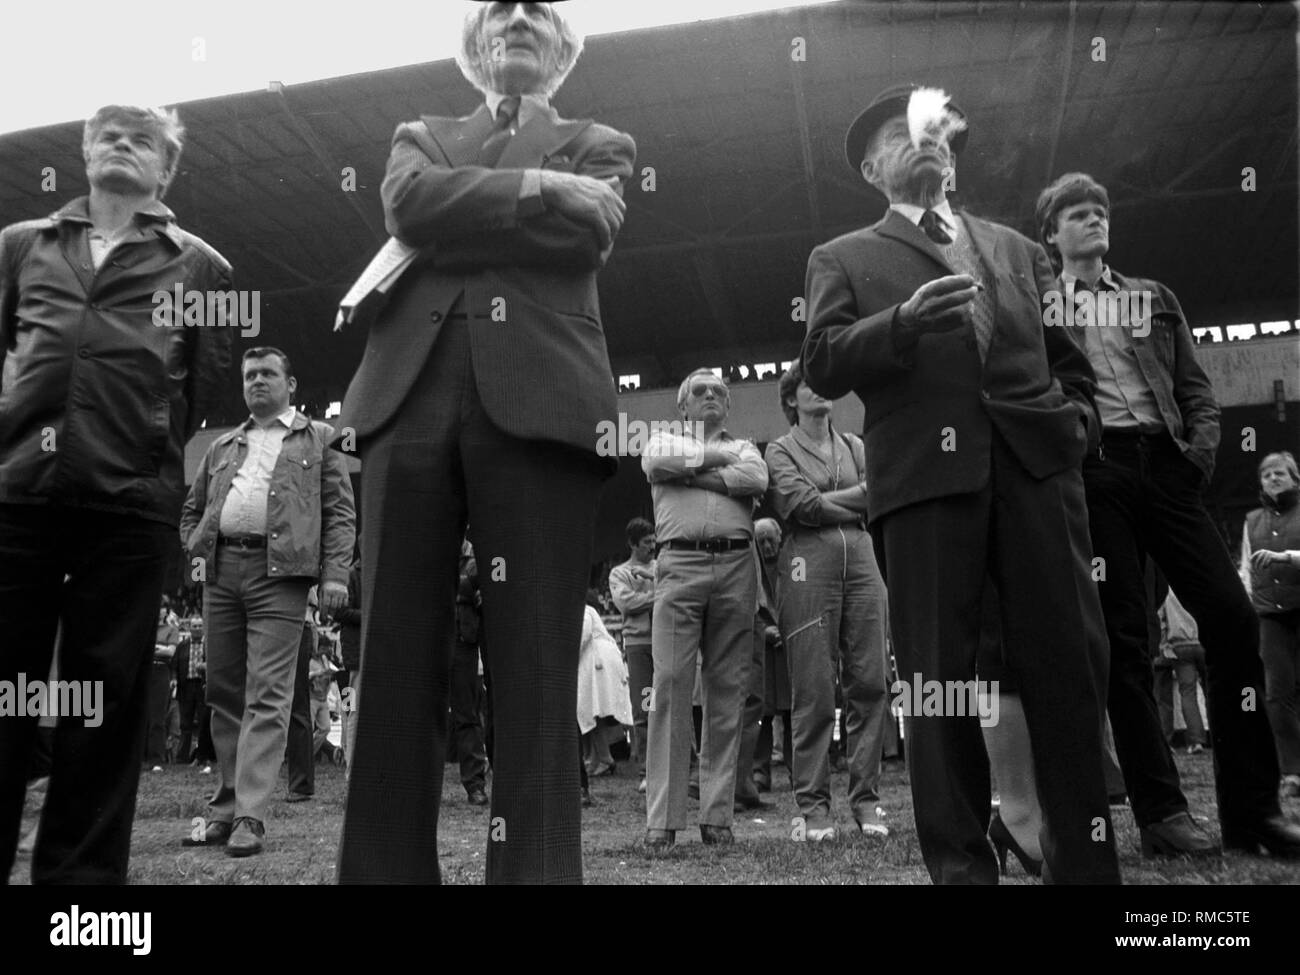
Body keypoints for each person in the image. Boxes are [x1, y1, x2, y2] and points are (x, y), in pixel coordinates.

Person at [333, 1, 635, 884]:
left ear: (562, 48)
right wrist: (541, 187)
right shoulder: (418, 131)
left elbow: (589, 228)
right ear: (475, 48)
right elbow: (405, 202)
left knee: (540, 664)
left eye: (535, 11)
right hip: (406, 397)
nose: (515, 18)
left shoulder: (600, 140)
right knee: (391, 660)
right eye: (497, 12)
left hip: (542, 403)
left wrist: (461, 211)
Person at [803, 84, 1119, 883]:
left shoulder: (1018, 249)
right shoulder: (842, 257)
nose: (929, 138)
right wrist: (903, 323)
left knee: (1070, 669)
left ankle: (1086, 868)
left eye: (939, 128)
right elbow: (823, 362)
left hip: (1039, 476)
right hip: (925, 487)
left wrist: (1075, 429)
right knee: (942, 689)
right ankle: (963, 870)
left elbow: (1071, 365)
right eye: (906, 134)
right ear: (874, 167)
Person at [1036, 171, 1300, 858]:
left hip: (1168, 465)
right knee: (1124, 638)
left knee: (1235, 617)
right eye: (1077, 214)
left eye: (1100, 211)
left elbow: (1196, 389)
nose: (1094, 220)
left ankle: (1253, 813)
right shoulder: (1039, 306)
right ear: (1051, 233)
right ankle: (1161, 814)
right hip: (1096, 472)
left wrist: (1198, 458)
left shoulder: (1153, 298)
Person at [0, 104, 232, 884]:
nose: (124, 146)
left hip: (129, 508)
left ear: (165, 169)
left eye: (144, 140)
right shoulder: (19, 246)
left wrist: (144, 457)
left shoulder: (203, 267)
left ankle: (80, 895)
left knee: (101, 700)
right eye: (110, 135)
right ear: (86, 151)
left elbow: (199, 387)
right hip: (17, 496)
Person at [179, 347, 356, 857]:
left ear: (291, 384)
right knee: (222, 690)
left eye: (267, 374)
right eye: (249, 375)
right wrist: (194, 545)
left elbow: (341, 514)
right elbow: (191, 510)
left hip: (282, 577)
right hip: (221, 572)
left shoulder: (320, 439)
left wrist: (335, 576)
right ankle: (224, 809)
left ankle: (250, 817)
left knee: (268, 692)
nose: (257, 381)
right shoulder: (223, 445)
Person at [641, 369, 768, 850]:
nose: (711, 395)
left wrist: (691, 470)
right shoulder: (660, 439)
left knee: (727, 689)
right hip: (679, 562)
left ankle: (717, 816)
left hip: (738, 564)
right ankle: (663, 819)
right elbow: (656, 465)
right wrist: (720, 466)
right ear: (683, 406)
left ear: (729, 407)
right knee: (670, 684)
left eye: (719, 392)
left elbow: (757, 477)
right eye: (701, 391)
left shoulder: (749, 449)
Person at [764, 362, 891, 841]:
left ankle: (867, 801)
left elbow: (878, 496)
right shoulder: (778, 450)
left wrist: (842, 498)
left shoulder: (856, 444)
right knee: (814, 690)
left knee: (871, 682)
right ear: (792, 398)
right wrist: (856, 495)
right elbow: (801, 506)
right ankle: (814, 808)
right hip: (806, 563)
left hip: (862, 558)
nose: (820, 391)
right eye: (807, 384)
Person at [1241, 451, 1300, 799]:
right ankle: (1291, 771)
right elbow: (1246, 571)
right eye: (1266, 475)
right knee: (1278, 693)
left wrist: (1287, 558)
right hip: (1269, 616)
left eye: (1279, 473)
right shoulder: (1251, 521)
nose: (1273, 479)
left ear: (1295, 479)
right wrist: (1251, 607)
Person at [608, 517, 656, 792]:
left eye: (653, 541)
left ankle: (684, 768)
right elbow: (626, 603)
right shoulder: (619, 573)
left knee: (673, 704)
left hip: (664, 641)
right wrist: (660, 595)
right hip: (638, 645)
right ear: (632, 544)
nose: (652, 547)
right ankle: (647, 770)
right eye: (646, 543)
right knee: (645, 707)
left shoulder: (661, 568)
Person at [752, 518, 793, 793]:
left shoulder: (795, 564)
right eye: (761, 541)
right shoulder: (749, 569)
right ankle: (760, 772)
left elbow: (804, 595)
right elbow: (744, 604)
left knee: (793, 712)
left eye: (771, 539)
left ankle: (797, 770)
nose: (767, 545)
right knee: (762, 712)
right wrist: (763, 630)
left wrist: (788, 628)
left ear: (780, 537)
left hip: (791, 643)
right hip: (762, 646)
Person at [578, 595, 634, 780]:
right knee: (590, 712)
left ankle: (604, 758)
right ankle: (595, 758)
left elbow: (583, 635)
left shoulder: (584, 610)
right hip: (591, 661)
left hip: (597, 661)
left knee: (595, 711)